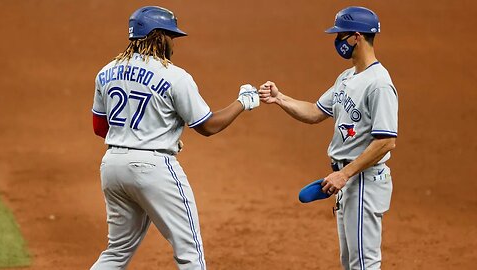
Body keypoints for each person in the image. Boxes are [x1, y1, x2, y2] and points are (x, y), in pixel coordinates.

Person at [90, 6, 259, 270]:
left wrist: (149, 133)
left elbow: (100, 127)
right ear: (157, 35)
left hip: (112, 166)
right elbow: (208, 126)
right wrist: (242, 102)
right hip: (154, 169)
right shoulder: (175, 76)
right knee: (190, 252)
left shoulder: (106, 72)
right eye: (170, 36)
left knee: (116, 252)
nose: (173, 43)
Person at [258, 6, 398, 270]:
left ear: (357, 36)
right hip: (347, 182)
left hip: (363, 181)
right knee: (350, 264)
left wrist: (345, 174)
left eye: (341, 35)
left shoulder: (379, 83)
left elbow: (386, 141)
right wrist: (280, 98)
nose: (338, 41)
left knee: (364, 265)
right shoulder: (347, 77)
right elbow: (314, 112)